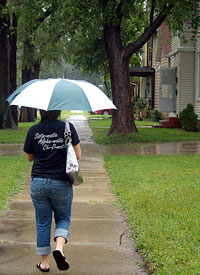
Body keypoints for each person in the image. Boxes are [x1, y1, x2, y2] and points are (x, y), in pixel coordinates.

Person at [23, 110, 81, 272]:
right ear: (58, 111)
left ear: (41, 111)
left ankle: (45, 263)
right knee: (63, 218)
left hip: (38, 182)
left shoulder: (34, 129)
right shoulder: (67, 128)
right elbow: (77, 154)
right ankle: (59, 249)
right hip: (61, 181)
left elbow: (29, 157)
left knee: (43, 222)